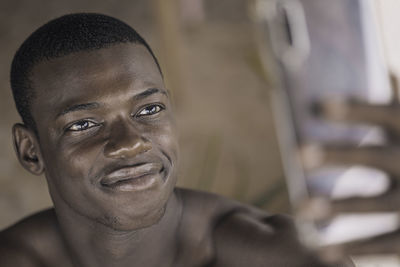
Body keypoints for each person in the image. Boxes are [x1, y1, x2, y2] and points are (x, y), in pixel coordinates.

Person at [0, 13, 350, 267]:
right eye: (84, 124)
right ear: (31, 152)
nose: (129, 143)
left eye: (149, 109)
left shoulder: (280, 255)